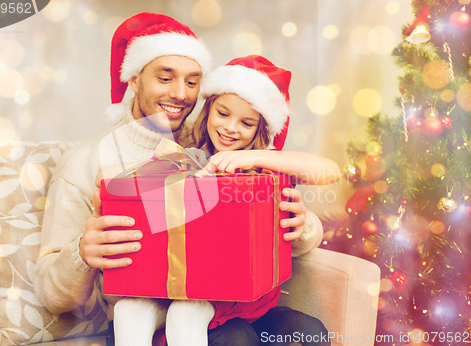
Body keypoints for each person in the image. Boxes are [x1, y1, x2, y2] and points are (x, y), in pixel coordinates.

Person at [32, 12, 314, 346]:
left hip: (223, 295)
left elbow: (265, 216)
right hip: (149, 306)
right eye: (165, 78)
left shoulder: (210, 139)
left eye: (192, 82)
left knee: (305, 332)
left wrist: (302, 224)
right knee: (231, 336)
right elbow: (52, 295)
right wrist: (82, 253)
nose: (181, 94)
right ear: (134, 80)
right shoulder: (86, 161)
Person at [110, 55, 340, 346]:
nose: (231, 128)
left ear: (260, 130)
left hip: (244, 300)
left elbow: (329, 172)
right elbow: (119, 188)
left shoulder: (265, 171)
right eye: (223, 114)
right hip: (182, 286)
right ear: (208, 110)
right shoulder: (184, 155)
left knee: (305, 330)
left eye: (246, 122)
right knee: (135, 309)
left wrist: (250, 156)